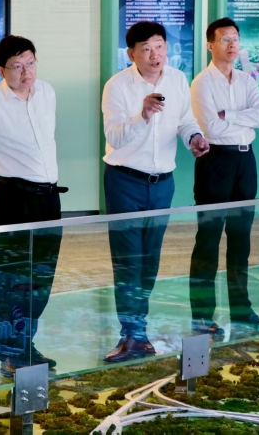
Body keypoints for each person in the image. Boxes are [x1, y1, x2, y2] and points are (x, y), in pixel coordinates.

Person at [102, 21, 210, 363]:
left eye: (160, 47)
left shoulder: (177, 80)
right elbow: (115, 137)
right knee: (128, 261)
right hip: (125, 181)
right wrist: (143, 114)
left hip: (162, 183)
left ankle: (140, 332)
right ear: (131, 53)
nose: (155, 55)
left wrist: (194, 138)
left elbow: (185, 120)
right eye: (146, 49)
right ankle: (130, 335)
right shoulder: (117, 86)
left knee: (149, 261)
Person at [0, 35, 64, 377]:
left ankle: (27, 344)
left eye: (31, 63)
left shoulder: (47, 93)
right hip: (14, 199)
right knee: (11, 280)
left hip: (49, 198)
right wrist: (12, 183)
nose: (26, 72)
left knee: (41, 277)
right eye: (17, 66)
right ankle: (10, 352)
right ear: (1, 70)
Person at [189, 17, 259, 336]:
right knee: (208, 240)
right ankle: (201, 316)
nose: (232, 44)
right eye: (225, 39)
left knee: (241, 240)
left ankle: (241, 310)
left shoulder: (246, 80)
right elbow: (211, 126)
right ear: (210, 45)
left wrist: (231, 115)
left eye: (236, 38)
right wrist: (239, 120)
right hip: (216, 162)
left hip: (245, 161)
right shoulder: (201, 82)